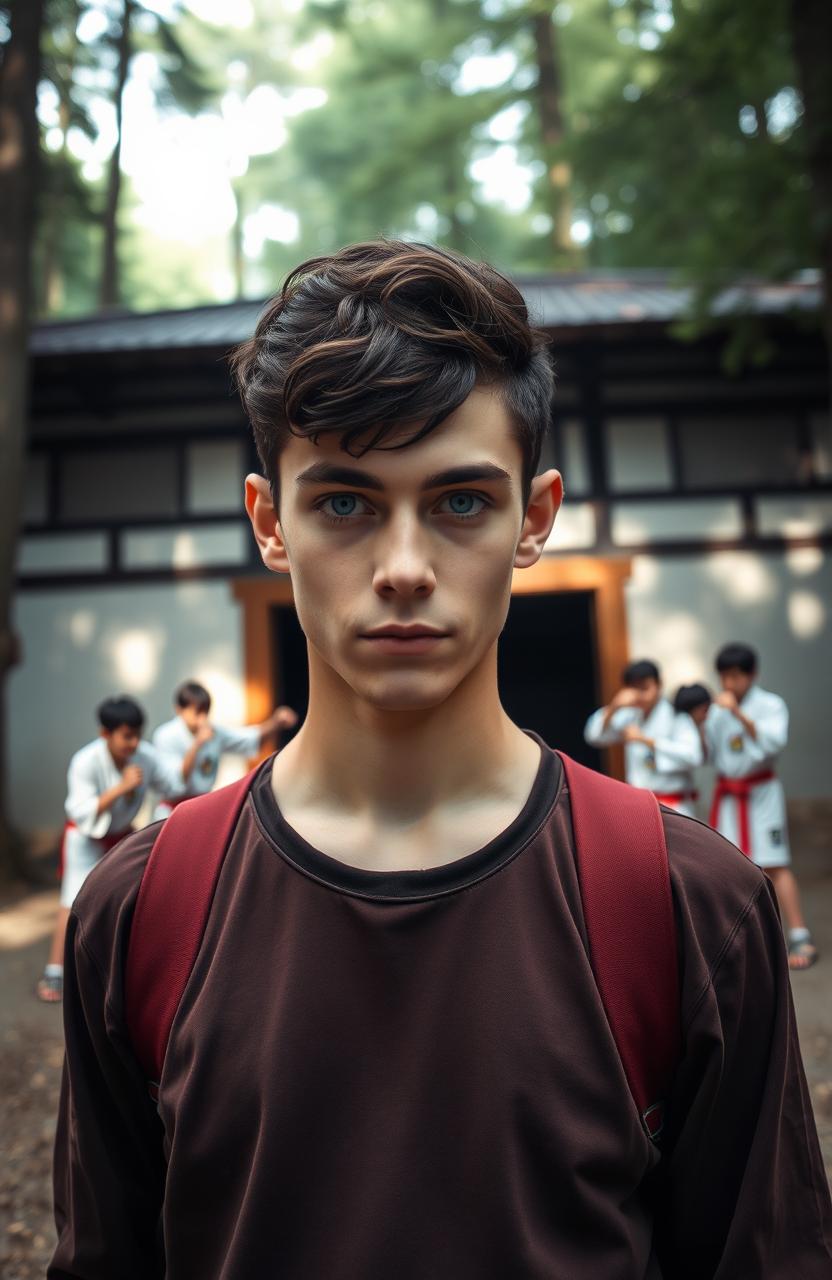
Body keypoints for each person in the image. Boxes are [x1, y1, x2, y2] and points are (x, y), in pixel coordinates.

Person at [50, 242, 831, 1278]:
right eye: (344, 502)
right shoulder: (141, 909)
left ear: (534, 517)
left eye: (460, 500)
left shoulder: (690, 904)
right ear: (269, 522)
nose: (406, 569)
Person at [36, 695, 184, 1004]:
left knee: (132, 895)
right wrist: (120, 789)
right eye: (126, 736)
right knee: (72, 900)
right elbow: (80, 810)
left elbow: (173, 785)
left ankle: (124, 968)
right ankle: (56, 970)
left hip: (122, 836)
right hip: (86, 838)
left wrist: (194, 750)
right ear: (106, 734)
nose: (133, 743)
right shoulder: (85, 761)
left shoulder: (145, 754)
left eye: (137, 735)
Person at [707, 642, 818, 970]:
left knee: (774, 863)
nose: (729, 684)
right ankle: (738, 940)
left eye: (735, 676)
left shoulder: (770, 705)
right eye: (724, 677)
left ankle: (799, 933)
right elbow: (710, 753)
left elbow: (774, 742)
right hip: (728, 796)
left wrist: (738, 714)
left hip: (761, 794)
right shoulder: (716, 711)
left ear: (752, 674)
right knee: (729, 865)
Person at [151, 679, 299, 819]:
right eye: (197, 712)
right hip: (171, 811)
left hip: (202, 807)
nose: (203, 718)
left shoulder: (214, 733)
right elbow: (176, 780)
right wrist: (197, 744)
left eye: (206, 712)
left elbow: (248, 738)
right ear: (180, 710)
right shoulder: (166, 736)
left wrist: (276, 723)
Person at [584, 660, 704, 817]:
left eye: (645, 688)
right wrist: (614, 707)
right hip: (639, 805)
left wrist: (646, 741)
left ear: (659, 684)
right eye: (634, 689)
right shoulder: (629, 715)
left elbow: (693, 757)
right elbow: (594, 736)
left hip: (675, 806)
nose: (640, 695)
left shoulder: (677, 715)